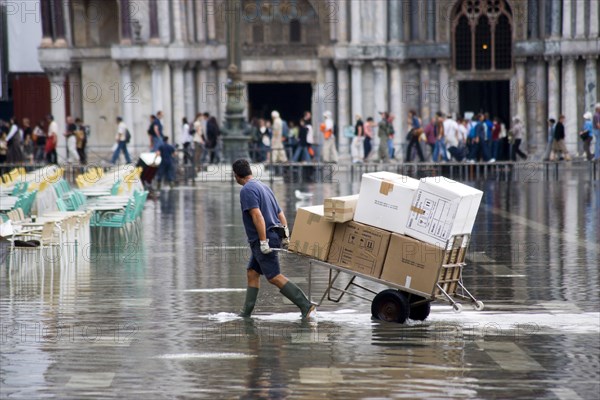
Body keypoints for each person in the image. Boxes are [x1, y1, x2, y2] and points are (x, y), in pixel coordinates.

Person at [233, 158, 315, 319]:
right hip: (272, 235)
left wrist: (263, 242)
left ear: (236, 175)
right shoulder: (263, 186)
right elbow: (280, 213)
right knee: (252, 272)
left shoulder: (247, 190)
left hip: (263, 239)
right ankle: (246, 313)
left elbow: (257, 216)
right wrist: (285, 236)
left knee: (273, 276)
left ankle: (306, 305)